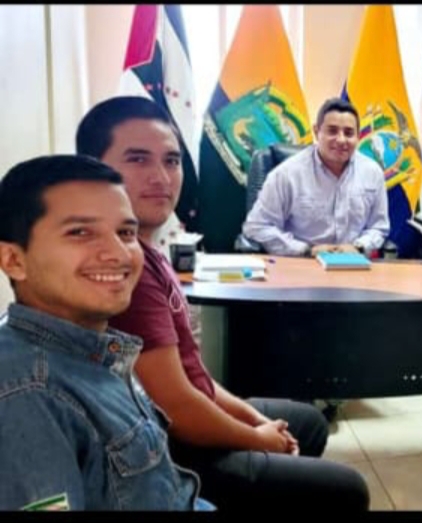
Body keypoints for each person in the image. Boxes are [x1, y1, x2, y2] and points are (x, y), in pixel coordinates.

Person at [75, 96, 369, 511]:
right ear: (93, 169)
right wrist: (257, 437)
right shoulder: (122, 271)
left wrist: (262, 426)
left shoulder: (149, 251)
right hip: (171, 452)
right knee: (348, 489)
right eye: (138, 159)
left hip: (188, 410)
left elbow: (196, 379)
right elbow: (176, 407)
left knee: (308, 422)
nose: (161, 177)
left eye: (172, 161)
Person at [0, 155, 202, 510]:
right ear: (14, 260)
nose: (118, 253)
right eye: (80, 232)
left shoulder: (94, 350)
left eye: (125, 233)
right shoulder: (28, 396)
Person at [242, 97, 390, 258]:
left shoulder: (373, 173)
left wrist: (359, 247)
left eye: (349, 133)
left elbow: (379, 227)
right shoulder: (286, 174)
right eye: (332, 131)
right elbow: (257, 226)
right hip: (302, 263)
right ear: (316, 131)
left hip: (354, 262)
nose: (341, 140)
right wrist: (305, 250)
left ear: (358, 136)